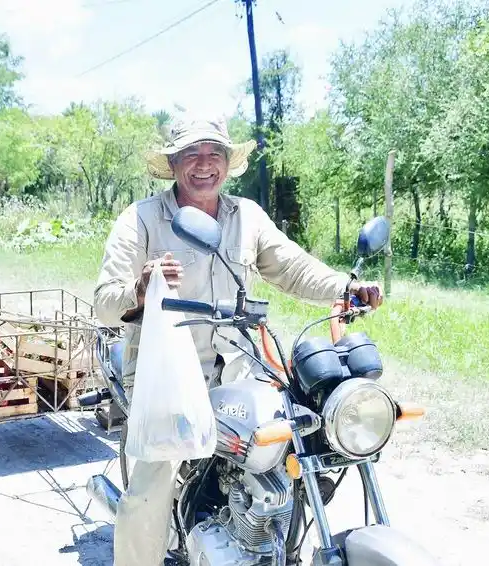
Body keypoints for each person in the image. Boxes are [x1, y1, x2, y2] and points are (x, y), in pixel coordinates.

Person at [93, 115, 383, 566]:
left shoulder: (246, 216)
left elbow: (292, 266)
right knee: (152, 487)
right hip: (165, 381)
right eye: (191, 154)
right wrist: (140, 289)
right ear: (173, 163)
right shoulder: (141, 219)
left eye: (214, 154)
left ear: (228, 163)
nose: (204, 164)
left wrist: (344, 287)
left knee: (294, 447)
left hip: (240, 370)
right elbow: (104, 304)